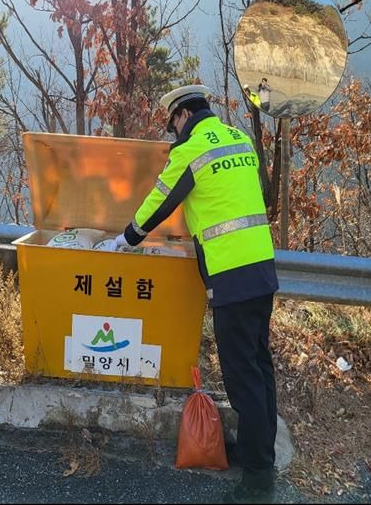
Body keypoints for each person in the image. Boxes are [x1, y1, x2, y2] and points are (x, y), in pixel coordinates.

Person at [109, 84, 279, 504]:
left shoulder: (191, 150)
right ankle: (262, 451)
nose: (174, 133)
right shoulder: (239, 139)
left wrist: (126, 239)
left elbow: (161, 200)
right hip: (261, 267)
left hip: (231, 274)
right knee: (259, 363)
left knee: (242, 375)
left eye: (174, 126)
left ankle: (257, 474)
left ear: (182, 116)